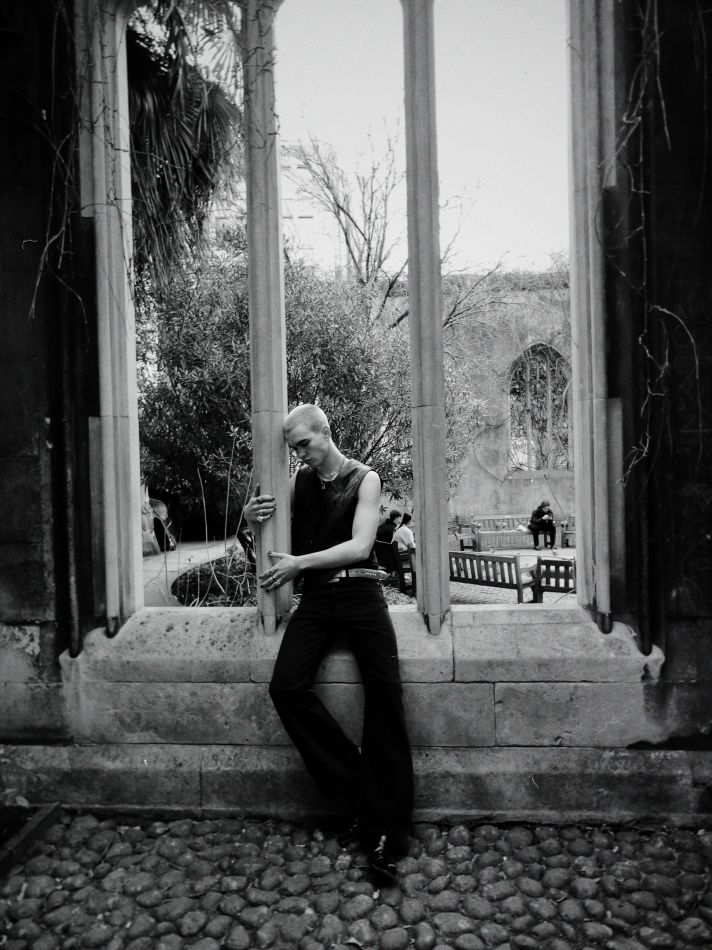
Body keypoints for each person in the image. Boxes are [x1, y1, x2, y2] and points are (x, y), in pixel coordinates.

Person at [244, 404, 414, 885]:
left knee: (385, 697)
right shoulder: (298, 483)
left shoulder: (366, 478)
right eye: (293, 448)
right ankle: (360, 790)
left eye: (304, 443)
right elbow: (273, 540)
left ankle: (387, 830)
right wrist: (250, 519)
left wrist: (300, 564)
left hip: (361, 594)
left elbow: (361, 547)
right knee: (285, 687)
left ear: (325, 432)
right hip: (318, 600)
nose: (299, 454)